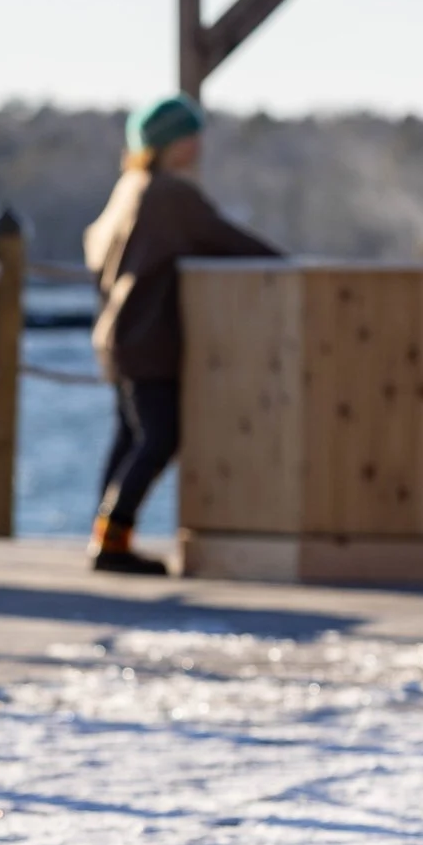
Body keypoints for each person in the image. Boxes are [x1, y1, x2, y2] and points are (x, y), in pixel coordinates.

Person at [82, 95, 280, 574]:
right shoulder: (169, 195)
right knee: (159, 437)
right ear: (174, 144)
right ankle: (112, 542)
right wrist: (286, 265)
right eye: (192, 135)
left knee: (131, 438)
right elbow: (227, 240)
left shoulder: (129, 187)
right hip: (147, 335)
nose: (199, 144)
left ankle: (106, 537)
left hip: (117, 334)